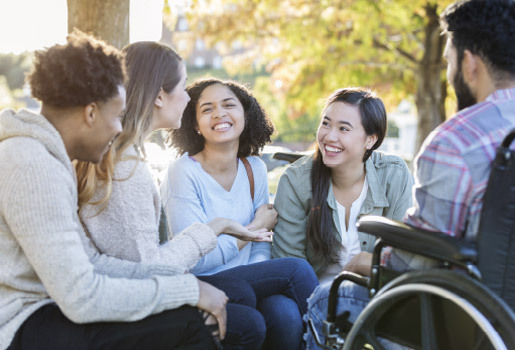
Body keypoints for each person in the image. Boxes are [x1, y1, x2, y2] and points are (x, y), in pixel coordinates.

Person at [305, 0, 515, 348]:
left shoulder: (458, 141)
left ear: (468, 62)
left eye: (448, 62)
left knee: (323, 300)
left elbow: (419, 262)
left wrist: (371, 260)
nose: (449, 74)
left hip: (468, 318)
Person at [0, 31, 221, 350]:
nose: (120, 128)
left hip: (42, 313)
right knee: (188, 322)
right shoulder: (31, 163)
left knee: (185, 313)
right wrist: (189, 292)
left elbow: (90, 261)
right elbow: (81, 297)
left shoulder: (45, 157)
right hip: (17, 326)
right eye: (117, 116)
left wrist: (185, 284)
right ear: (90, 113)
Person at [75, 41, 274, 349]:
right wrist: (215, 232)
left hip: (121, 290)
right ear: (158, 96)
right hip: (117, 301)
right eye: (182, 88)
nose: (187, 98)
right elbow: (146, 269)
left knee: (245, 301)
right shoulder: (126, 167)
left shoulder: (120, 154)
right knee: (250, 320)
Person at [163, 78, 319, 350]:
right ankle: (333, 341)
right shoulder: (183, 172)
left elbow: (262, 247)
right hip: (202, 282)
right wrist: (254, 227)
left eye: (228, 105)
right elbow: (196, 260)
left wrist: (255, 276)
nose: (219, 113)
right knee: (296, 269)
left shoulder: (253, 168)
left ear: (245, 115)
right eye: (207, 109)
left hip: (248, 279)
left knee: (285, 315)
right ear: (195, 124)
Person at [272, 87, 413, 283]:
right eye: (326, 124)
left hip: (371, 295)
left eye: (343, 128)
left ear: (370, 140)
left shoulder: (394, 174)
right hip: (308, 295)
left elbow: (403, 257)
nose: (329, 136)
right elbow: (289, 264)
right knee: (280, 309)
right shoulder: (296, 180)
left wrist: (366, 262)